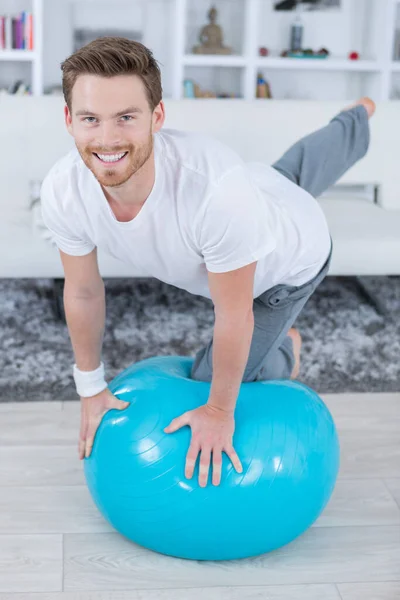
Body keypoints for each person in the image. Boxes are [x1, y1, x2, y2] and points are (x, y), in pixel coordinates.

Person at [40, 36, 375, 489]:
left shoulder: (215, 191)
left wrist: (219, 410)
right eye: (90, 119)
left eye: (126, 117)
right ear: (69, 120)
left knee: (211, 378)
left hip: (287, 262)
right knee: (288, 174)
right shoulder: (64, 190)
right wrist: (90, 388)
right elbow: (82, 290)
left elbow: (235, 311)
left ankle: (287, 346)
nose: (107, 138)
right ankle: (355, 119)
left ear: (157, 116)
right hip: (263, 186)